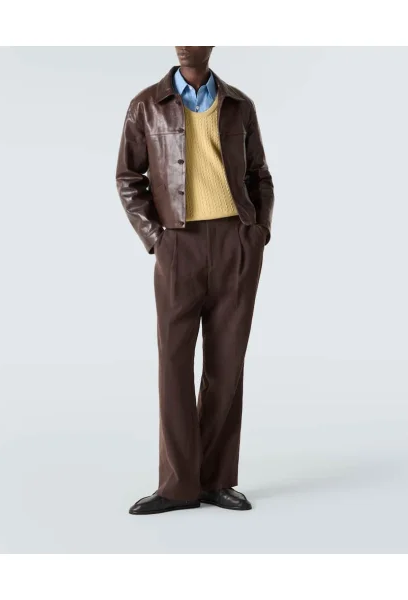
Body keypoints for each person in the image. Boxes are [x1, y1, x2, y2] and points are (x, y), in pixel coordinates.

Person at [116, 46, 274, 515]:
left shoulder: (239, 105)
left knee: (226, 366)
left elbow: (260, 175)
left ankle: (215, 480)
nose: (185, 41)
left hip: (235, 243)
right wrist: (156, 238)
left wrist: (258, 232)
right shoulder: (146, 105)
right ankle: (177, 486)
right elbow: (128, 177)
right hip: (177, 245)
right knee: (174, 364)